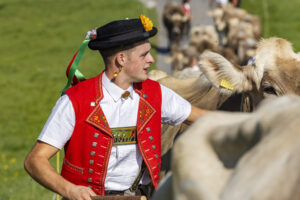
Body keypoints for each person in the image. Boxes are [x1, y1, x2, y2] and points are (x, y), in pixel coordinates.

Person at [24, 15, 209, 200]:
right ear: (121, 59)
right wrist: (70, 190)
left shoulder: (156, 94)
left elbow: (206, 119)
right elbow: (35, 160)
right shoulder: (75, 100)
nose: (151, 60)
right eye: (144, 54)